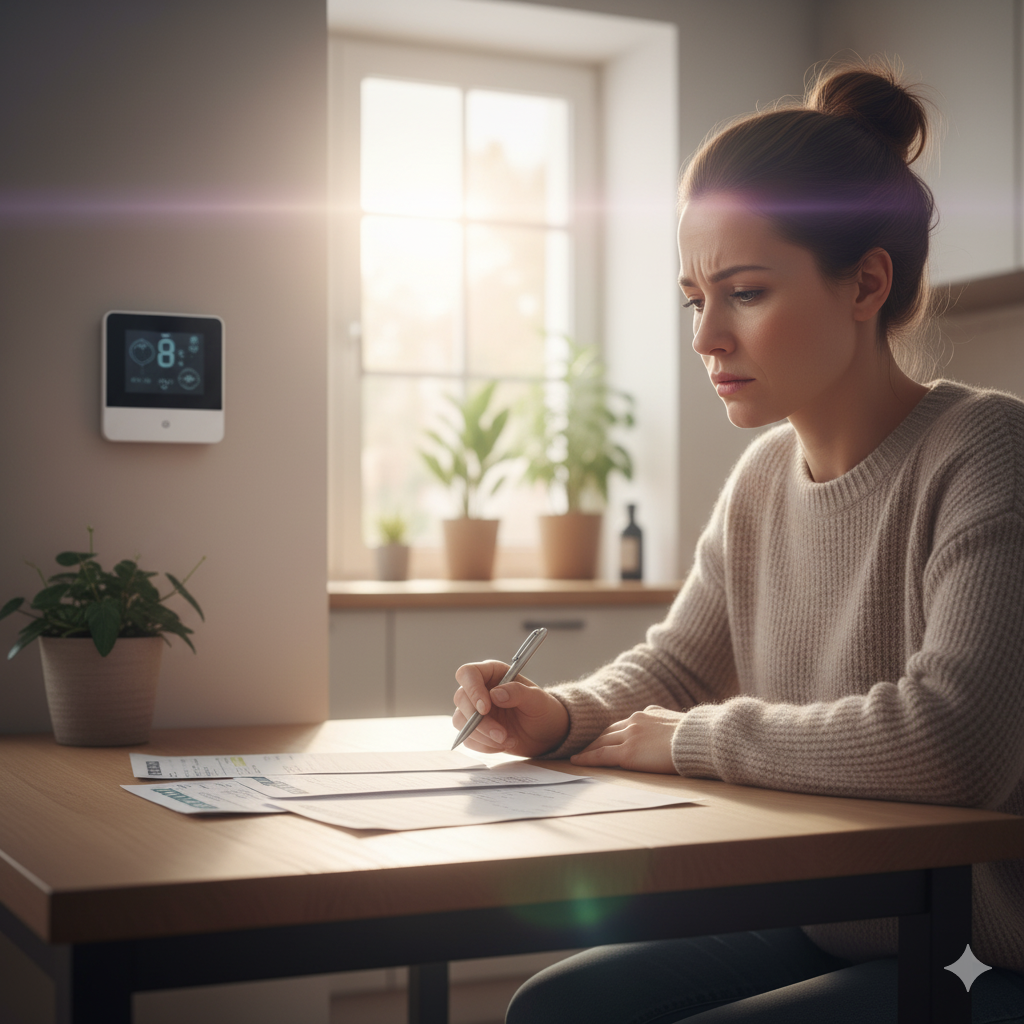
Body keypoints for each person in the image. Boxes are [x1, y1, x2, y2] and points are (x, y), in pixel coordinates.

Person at [451, 60, 1024, 1023]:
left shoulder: (989, 451)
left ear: (866, 284)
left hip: (982, 951)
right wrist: (557, 714)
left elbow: (952, 742)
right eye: (693, 298)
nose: (706, 336)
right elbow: (677, 668)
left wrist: (693, 743)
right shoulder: (763, 480)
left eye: (744, 293)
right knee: (557, 1009)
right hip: (842, 916)